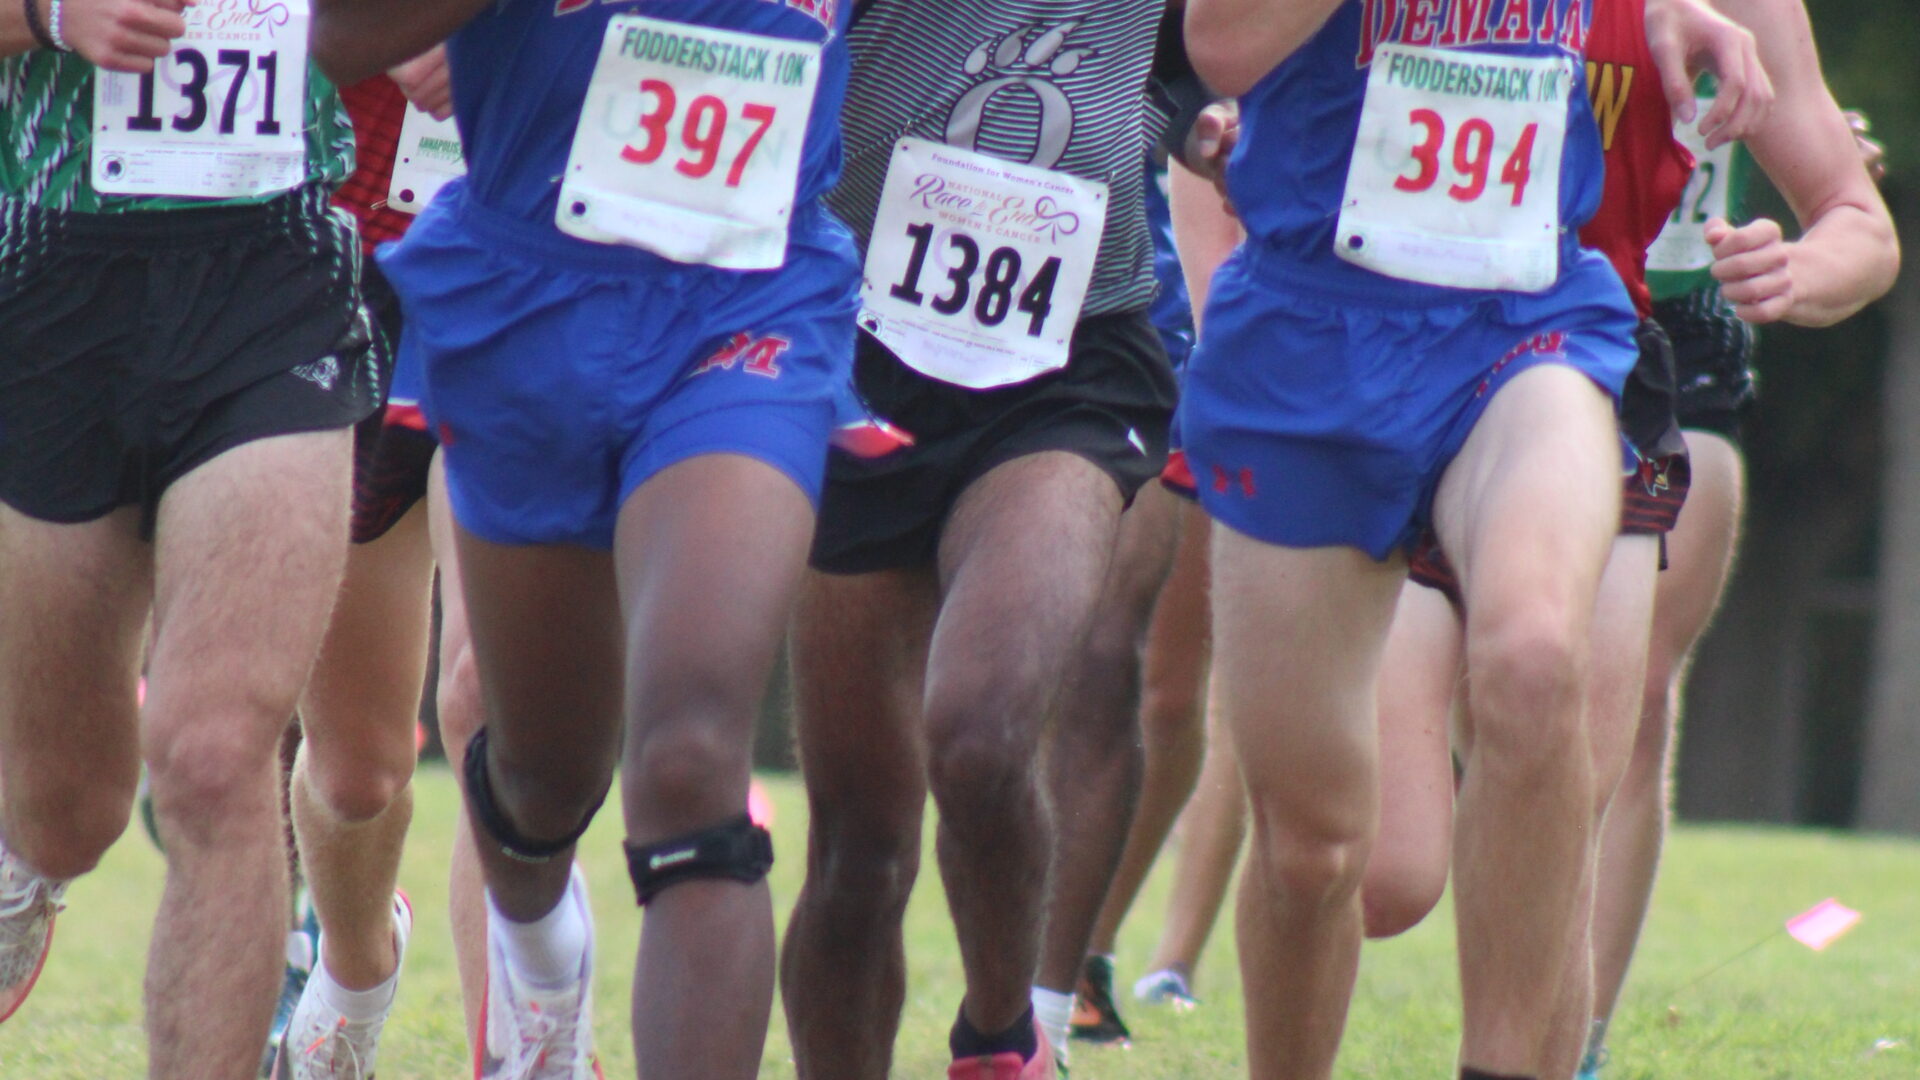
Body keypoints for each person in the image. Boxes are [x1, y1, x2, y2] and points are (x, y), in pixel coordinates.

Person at [1178, 0, 1768, 1076]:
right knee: (1315, 854)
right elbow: (1216, 44)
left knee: (1538, 653)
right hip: (1311, 334)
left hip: (1526, 318)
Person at [313, 0, 858, 1075]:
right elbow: (332, 41)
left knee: (693, 751)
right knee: (540, 770)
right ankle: (540, 952)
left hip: (752, 305)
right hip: (527, 299)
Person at [778, 2, 1195, 1077]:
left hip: (1068, 362)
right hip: (856, 346)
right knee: (857, 857)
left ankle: (1004, 1040)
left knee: (981, 730)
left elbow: (1225, 51)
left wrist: (1191, 117)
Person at [0, 5, 380, 1080]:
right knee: (66, 809)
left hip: (273, 266)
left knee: (214, 759)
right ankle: (31, 854)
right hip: (54, 273)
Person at [1579, 1, 1897, 1073]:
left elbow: (1858, 221)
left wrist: (1801, 271)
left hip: (1672, 338)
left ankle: (1570, 1037)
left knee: (1636, 701)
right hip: (1458, 327)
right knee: (1501, 721)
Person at [269, 47, 475, 1079]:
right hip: (335, 266)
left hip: (526, 259)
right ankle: (352, 960)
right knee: (357, 772)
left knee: (504, 711)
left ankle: (538, 1041)